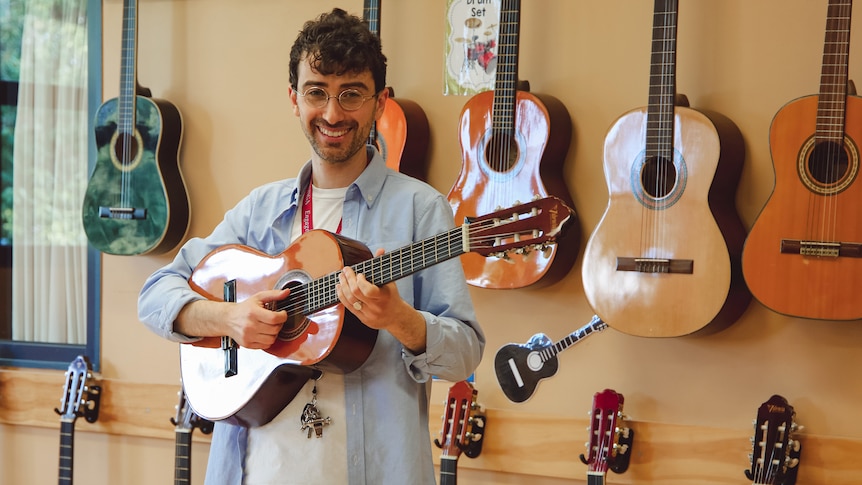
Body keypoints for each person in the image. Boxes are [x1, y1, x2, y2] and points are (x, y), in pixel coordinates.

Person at [137, 7, 484, 485]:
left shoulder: (421, 210)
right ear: (294, 99)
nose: (333, 113)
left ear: (380, 102)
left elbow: (465, 353)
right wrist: (228, 318)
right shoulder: (260, 211)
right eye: (316, 92)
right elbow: (156, 293)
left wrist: (399, 320)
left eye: (352, 94)